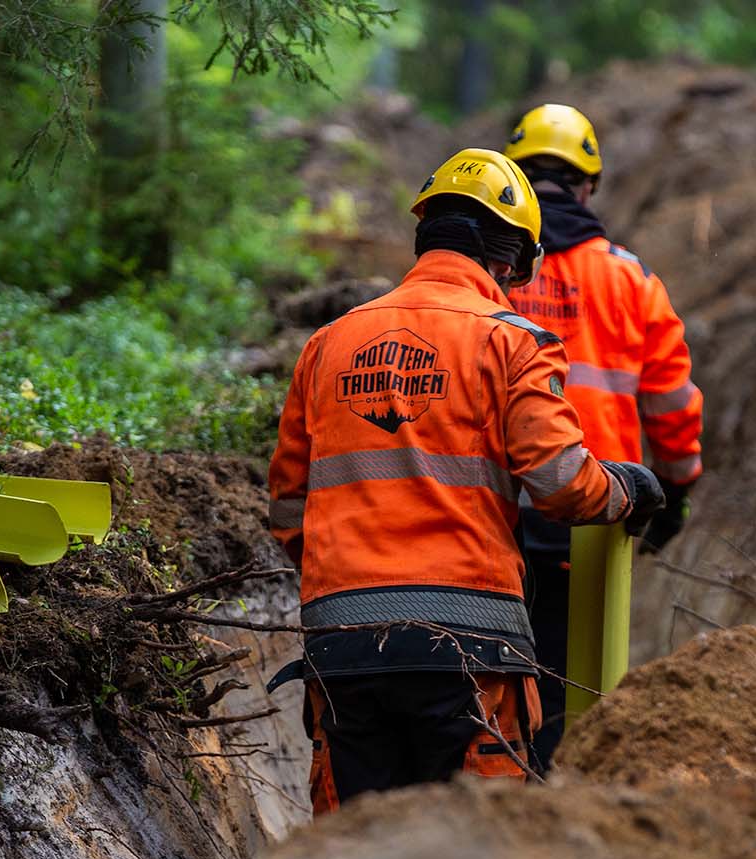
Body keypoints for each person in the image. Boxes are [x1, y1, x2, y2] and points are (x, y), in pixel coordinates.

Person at [267, 147, 664, 814]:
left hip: (343, 648)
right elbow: (563, 485)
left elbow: (287, 507)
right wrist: (627, 487)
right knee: (474, 843)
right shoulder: (514, 341)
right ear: (508, 261)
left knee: (351, 849)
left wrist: (349, 582)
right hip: (469, 647)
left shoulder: (327, 344)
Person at [503, 103, 705, 770]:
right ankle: (563, 789)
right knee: (580, 684)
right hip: (594, 514)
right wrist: (675, 488)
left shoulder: (491, 275)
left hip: (491, 513)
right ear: (587, 186)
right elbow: (672, 403)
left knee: (495, 672)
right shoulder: (629, 279)